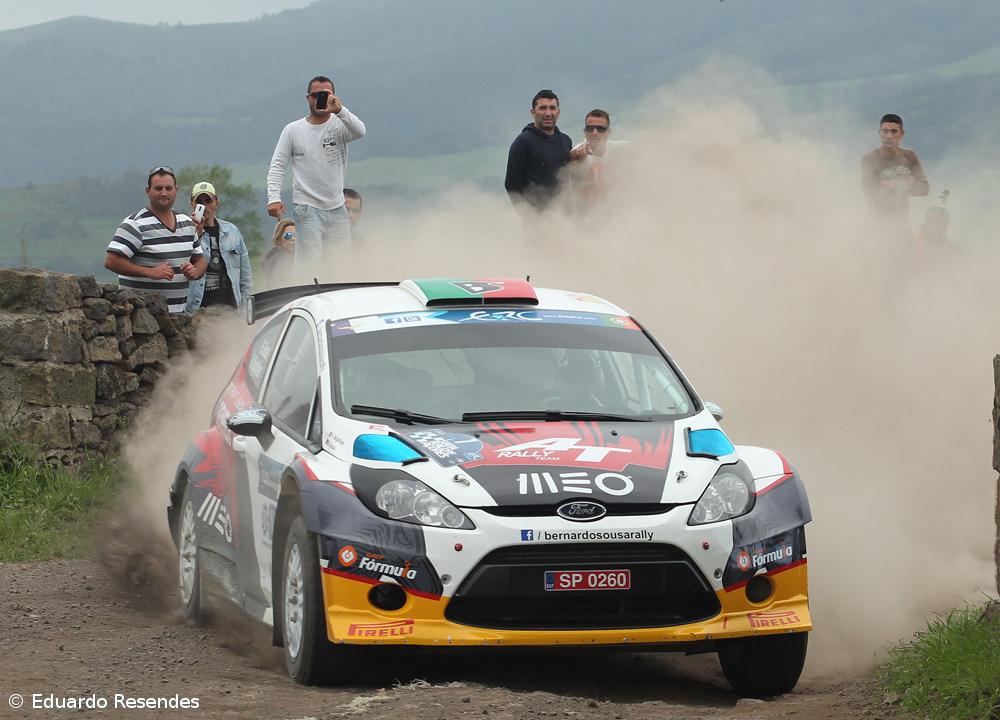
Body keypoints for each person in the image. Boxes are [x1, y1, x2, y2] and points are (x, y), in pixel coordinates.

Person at [266, 75, 366, 276]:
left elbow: (360, 131)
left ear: (333, 96)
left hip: (337, 206)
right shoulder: (293, 130)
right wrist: (273, 198)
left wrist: (339, 110)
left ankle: (338, 300)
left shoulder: (340, 125)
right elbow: (277, 165)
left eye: (325, 95)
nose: (320, 99)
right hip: (307, 206)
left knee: (340, 260)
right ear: (308, 98)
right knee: (309, 261)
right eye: (315, 95)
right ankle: (304, 295)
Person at [105, 166, 206, 314]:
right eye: (158, 188)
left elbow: (200, 259)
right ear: (148, 191)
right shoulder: (135, 224)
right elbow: (111, 261)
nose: (164, 193)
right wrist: (149, 272)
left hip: (179, 318)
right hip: (141, 321)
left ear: (176, 191)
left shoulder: (187, 224)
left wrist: (195, 271)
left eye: (168, 188)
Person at [185, 181, 252, 312]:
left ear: (216, 202)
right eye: (199, 202)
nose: (204, 206)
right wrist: (196, 234)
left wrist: (246, 313)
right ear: (192, 204)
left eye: (208, 201)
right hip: (197, 312)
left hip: (230, 311)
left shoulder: (232, 231)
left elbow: (245, 277)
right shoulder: (184, 232)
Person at [504, 89, 573, 213]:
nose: (548, 113)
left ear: (558, 112)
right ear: (533, 112)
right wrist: (528, 215)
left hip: (564, 219)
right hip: (536, 221)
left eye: (552, 108)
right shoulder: (523, 143)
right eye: (542, 108)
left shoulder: (566, 140)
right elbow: (512, 185)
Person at [861, 113, 929, 230]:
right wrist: (906, 182)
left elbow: (925, 188)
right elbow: (869, 194)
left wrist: (895, 185)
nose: (889, 136)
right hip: (876, 224)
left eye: (893, 131)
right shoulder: (869, 159)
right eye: (885, 131)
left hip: (902, 224)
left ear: (901, 134)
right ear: (879, 133)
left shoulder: (909, 157)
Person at [569, 109, 629, 208]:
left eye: (600, 129)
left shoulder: (618, 148)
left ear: (608, 132)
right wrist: (575, 157)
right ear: (584, 132)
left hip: (614, 211)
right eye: (590, 128)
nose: (595, 133)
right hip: (584, 214)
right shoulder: (578, 153)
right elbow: (570, 157)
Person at [264, 219, 297, 289]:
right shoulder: (275, 259)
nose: (293, 238)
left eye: (296, 235)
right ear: (278, 240)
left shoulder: (301, 257)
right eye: (288, 235)